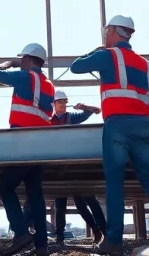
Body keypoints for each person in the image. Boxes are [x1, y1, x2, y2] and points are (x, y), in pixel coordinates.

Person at [70, 15, 149, 255]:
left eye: (106, 30)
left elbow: (76, 66)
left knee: (114, 182)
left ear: (112, 31)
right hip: (143, 125)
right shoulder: (145, 63)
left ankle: (113, 241)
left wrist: (96, 50)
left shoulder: (107, 55)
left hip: (117, 125)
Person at [0, 44, 55, 256]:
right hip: (41, 145)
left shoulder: (25, 77)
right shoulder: (49, 85)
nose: (21, 62)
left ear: (27, 59)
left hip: (23, 142)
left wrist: (10, 63)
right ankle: (42, 246)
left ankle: (20, 232)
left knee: (6, 187)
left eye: (22, 59)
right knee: (35, 195)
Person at [49, 90, 106, 247]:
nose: (62, 104)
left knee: (86, 201)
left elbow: (97, 111)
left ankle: (102, 230)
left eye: (64, 102)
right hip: (59, 167)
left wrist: (84, 107)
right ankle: (60, 237)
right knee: (60, 204)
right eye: (59, 102)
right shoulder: (49, 121)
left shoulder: (72, 117)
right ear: (53, 104)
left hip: (75, 166)